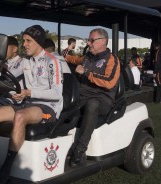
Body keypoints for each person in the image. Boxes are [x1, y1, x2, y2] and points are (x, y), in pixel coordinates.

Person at [0, 25, 63, 183]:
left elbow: (57, 94)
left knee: (20, 116)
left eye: (28, 41)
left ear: (38, 42)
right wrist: (1, 69)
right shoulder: (27, 62)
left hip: (49, 107)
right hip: (28, 103)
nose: (25, 44)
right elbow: (11, 77)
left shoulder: (52, 62)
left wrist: (29, 93)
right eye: (24, 41)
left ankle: (7, 166)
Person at [64, 28, 120, 167]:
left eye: (91, 40)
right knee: (65, 100)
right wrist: (62, 55)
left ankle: (80, 150)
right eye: (88, 40)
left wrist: (87, 72)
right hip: (83, 95)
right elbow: (70, 58)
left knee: (92, 104)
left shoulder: (112, 60)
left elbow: (110, 81)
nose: (89, 43)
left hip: (103, 99)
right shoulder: (87, 57)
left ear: (103, 42)